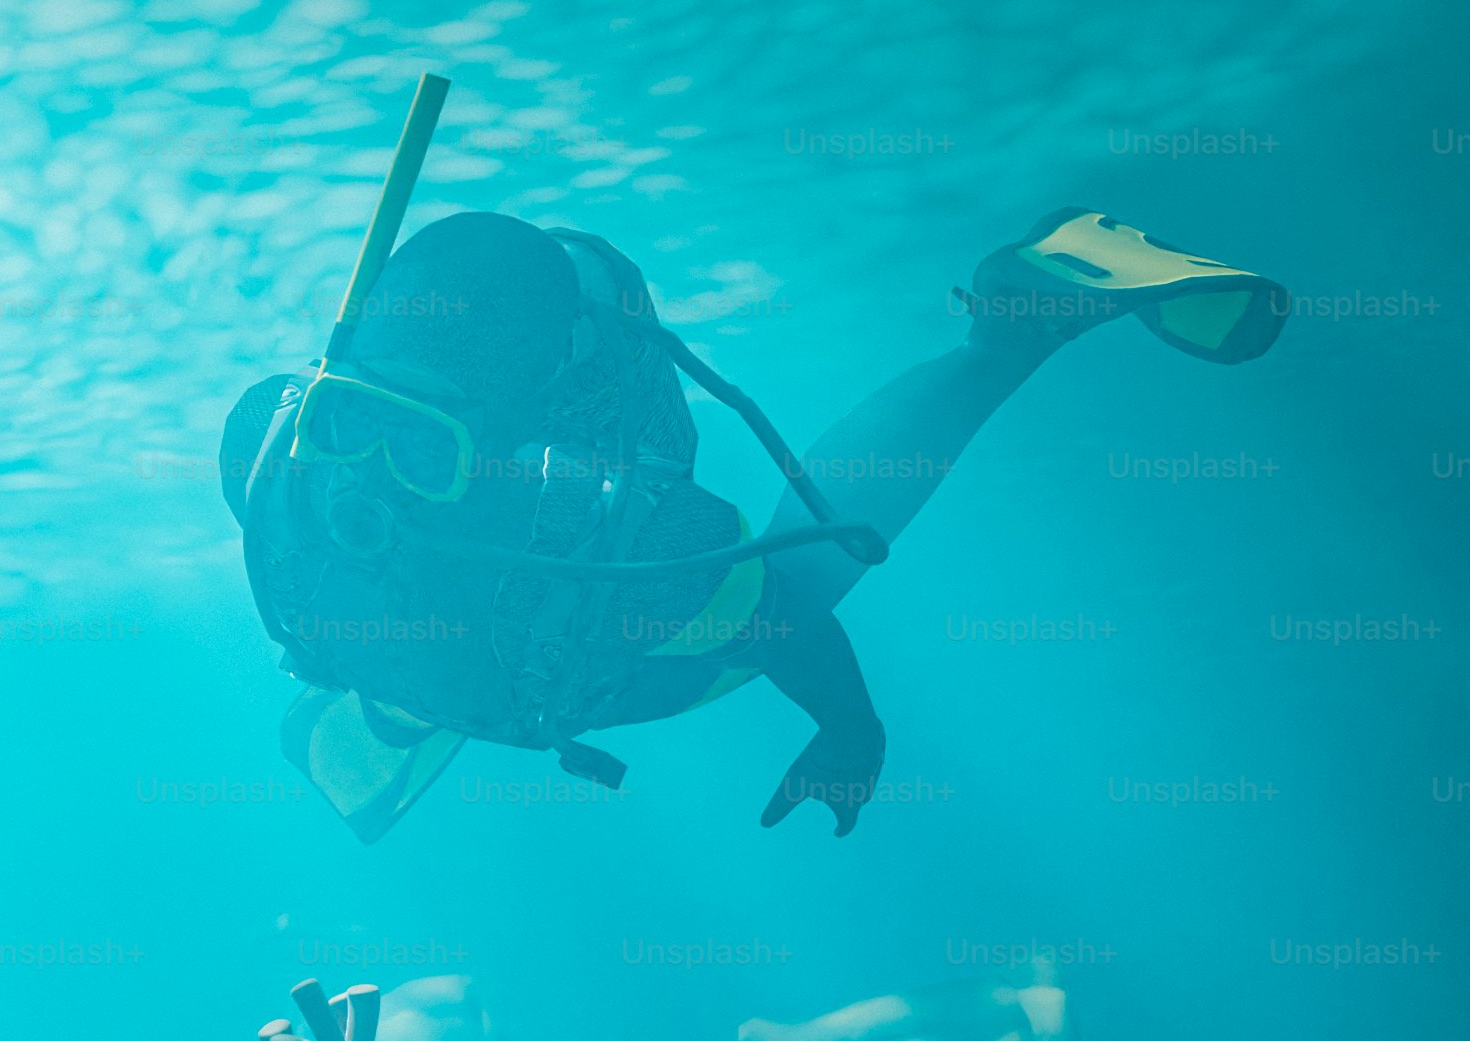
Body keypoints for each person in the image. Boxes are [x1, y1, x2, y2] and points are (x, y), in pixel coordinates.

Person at [224, 200, 1285, 841]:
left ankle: (1014, 330)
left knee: (810, 567)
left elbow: (787, 619)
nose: (363, 482)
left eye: (421, 449)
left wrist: (849, 726)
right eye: (353, 425)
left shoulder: (625, 541)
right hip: (524, 457)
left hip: (621, 593)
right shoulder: (281, 461)